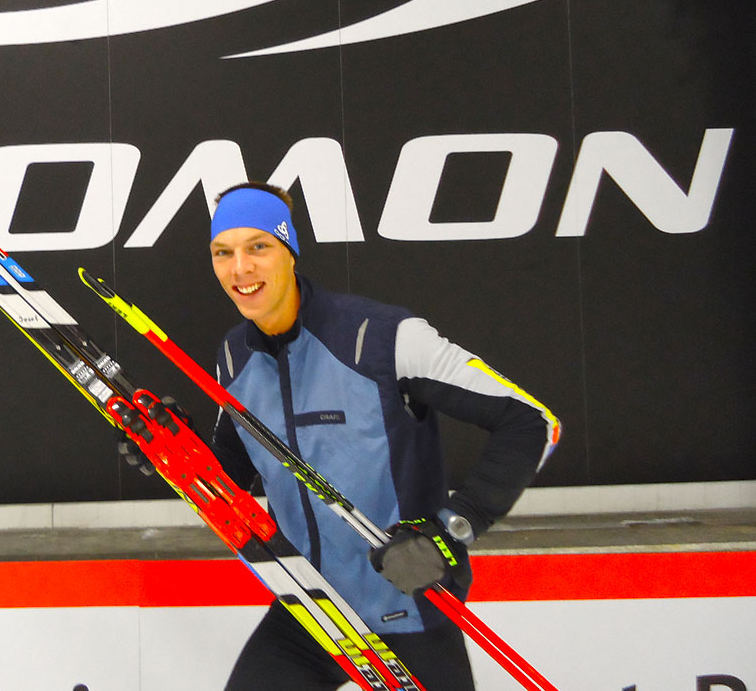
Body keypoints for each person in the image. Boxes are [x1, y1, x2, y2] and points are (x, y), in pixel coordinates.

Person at [204, 182, 561, 690]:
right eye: (224, 252)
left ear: (289, 251)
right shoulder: (234, 356)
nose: (240, 269)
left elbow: (531, 421)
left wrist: (450, 531)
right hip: (310, 614)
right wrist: (161, 447)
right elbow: (229, 472)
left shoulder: (384, 337)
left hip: (409, 609)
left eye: (258, 246)